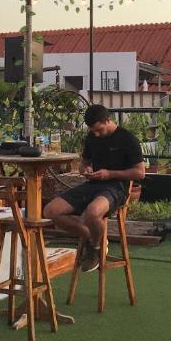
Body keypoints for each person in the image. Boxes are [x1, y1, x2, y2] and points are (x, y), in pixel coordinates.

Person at [44, 104, 145, 272]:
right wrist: (85, 170)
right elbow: (84, 163)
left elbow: (140, 173)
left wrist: (109, 174)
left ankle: (95, 247)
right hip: (93, 184)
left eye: (99, 130)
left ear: (107, 121)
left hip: (116, 187)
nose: (96, 134)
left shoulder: (128, 139)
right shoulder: (92, 137)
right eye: (93, 131)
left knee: (92, 212)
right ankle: (92, 237)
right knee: (51, 211)